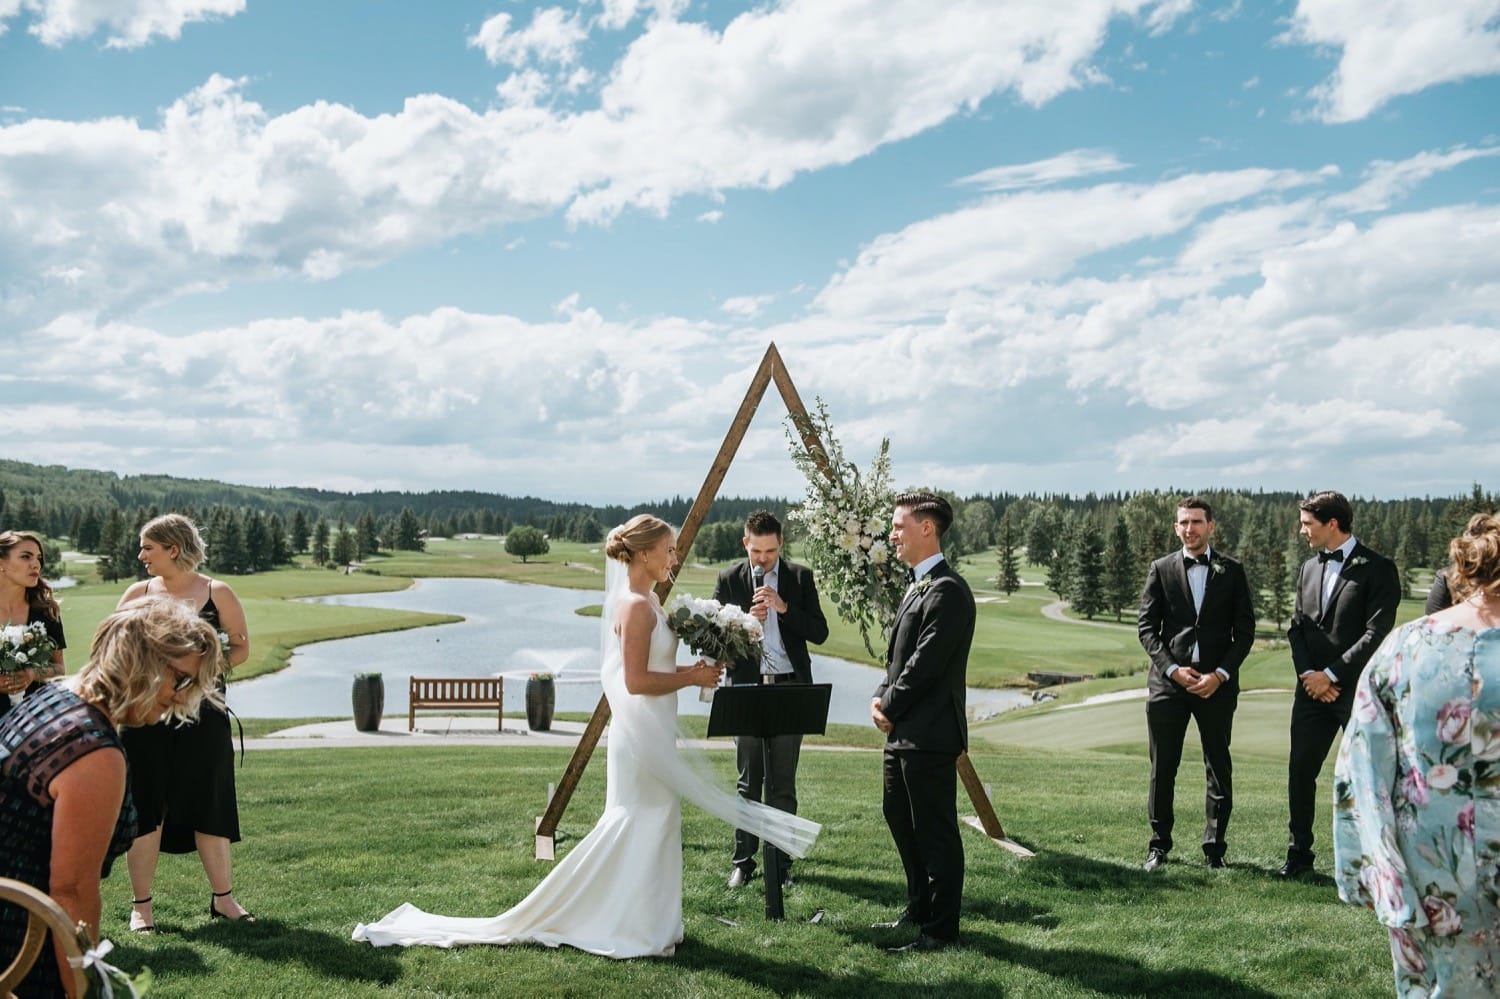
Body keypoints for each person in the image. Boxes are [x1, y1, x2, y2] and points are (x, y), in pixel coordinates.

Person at [353, 515, 819, 958]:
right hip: (639, 736)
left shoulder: (652, 602)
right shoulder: (635, 607)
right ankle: (627, 927)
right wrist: (690, 677)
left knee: (657, 824)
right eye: (668, 551)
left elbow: (653, 669)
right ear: (641, 555)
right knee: (637, 822)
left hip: (651, 728)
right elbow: (636, 682)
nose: (674, 558)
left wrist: (693, 672)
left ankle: (652, 925)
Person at [0, 596, 222, 996]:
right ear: (144, 662)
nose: (181, 697)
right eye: (181, 679)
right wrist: (85, 991)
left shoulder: (50, 700)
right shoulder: (93, 751)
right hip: (22, 945)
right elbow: (71, 892)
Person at [1333, 512, 1500, 995]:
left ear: (1463, 569)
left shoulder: (1405, 646)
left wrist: (1376, 875)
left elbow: (1361, 773)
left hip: (1430, 873)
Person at [117, 514, 253, 931]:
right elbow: (115, 646)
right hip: (144, 714)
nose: (141, 556)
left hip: (204, 713)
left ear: (173, 549)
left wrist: (197, 675)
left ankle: (224, 900)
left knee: (210, 802)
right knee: (145, 804)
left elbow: (241, 649)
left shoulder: (217, 593)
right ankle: (141, 907)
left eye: (148, 548)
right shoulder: (137, 593)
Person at [870, 491, 975, 954]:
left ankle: (941, 929)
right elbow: (898, 661)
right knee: (899, 816)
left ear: (926, 528)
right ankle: (918, 907)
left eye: (898, 525)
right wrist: (880, 695)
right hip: (904, 733)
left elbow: (926, 664)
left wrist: (888, 706)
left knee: (935, 830)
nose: (892, 534)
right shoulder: (916, 585)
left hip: (930, 733)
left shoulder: (948, 591)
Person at [1282, 489, 1401, 879]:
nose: (1303, 532)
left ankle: (1372, 863)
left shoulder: (1379, 568)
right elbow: (1297, 628)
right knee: (1300, 772)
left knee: (1367, 776)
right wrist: (1309, 677)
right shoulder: (1308, 568)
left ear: (1332, 523)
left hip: (1355, 690)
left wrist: (1331, 675)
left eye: (1307, 524)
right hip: (1310, 691)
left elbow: (1376, 632)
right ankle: (1298, 857)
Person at [1136, 497, 1255, 871]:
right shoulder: (1161, 568)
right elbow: (1146, 629)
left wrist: (1220, 675)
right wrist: (1172, 670)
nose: (1190, 529)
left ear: (1211, 526)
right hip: (1169, 684)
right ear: (1176, 528)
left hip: (1215, 684)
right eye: (1184, 523)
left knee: (1218, 765)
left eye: (1197, 522)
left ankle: (1214, 850)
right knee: (1162, 767)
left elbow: (1245, 631)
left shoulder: (1232, 571)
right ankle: (1159, 845)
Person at [713, 510, 829, 889]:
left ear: (781, 544)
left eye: (771, 551)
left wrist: (784, 609)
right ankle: (743, 863)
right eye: (757, 551)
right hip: (746, 688)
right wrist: (747, 622)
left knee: (782, 783)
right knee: (748, 781)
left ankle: (780, 865)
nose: (764, 559)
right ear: (745, 543)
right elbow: (714, 643)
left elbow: (820, 632)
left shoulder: (799, 577)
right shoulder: (729, 579)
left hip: (789, 686)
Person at [0, 530, 67, 719]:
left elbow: (59, 669)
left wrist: (32, 673)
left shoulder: (46, 611)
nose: (35, 564)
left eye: (38, 558)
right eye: (25, 557)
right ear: (1, 562)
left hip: (35, 722)